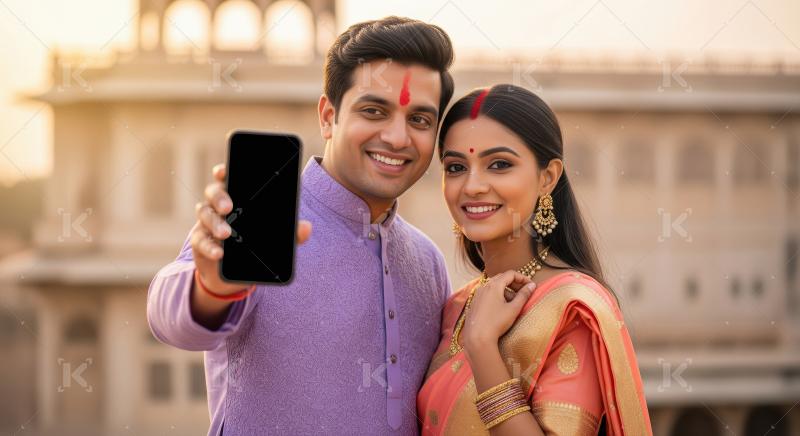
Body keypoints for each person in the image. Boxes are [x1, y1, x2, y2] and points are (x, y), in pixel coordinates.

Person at [147, 16, 455, 435]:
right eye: (374, 110)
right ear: (328, 116)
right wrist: (211, 288)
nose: (398, 138)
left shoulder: (427, 261)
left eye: (419, 120)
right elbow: (172, 319)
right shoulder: (265, 221)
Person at [417, 85, 653, 435]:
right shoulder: (456, 306)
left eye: (499, 164)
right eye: (455, 167)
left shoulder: (572, 309)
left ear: (547, 177)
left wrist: (482, 346)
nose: (472, 186)